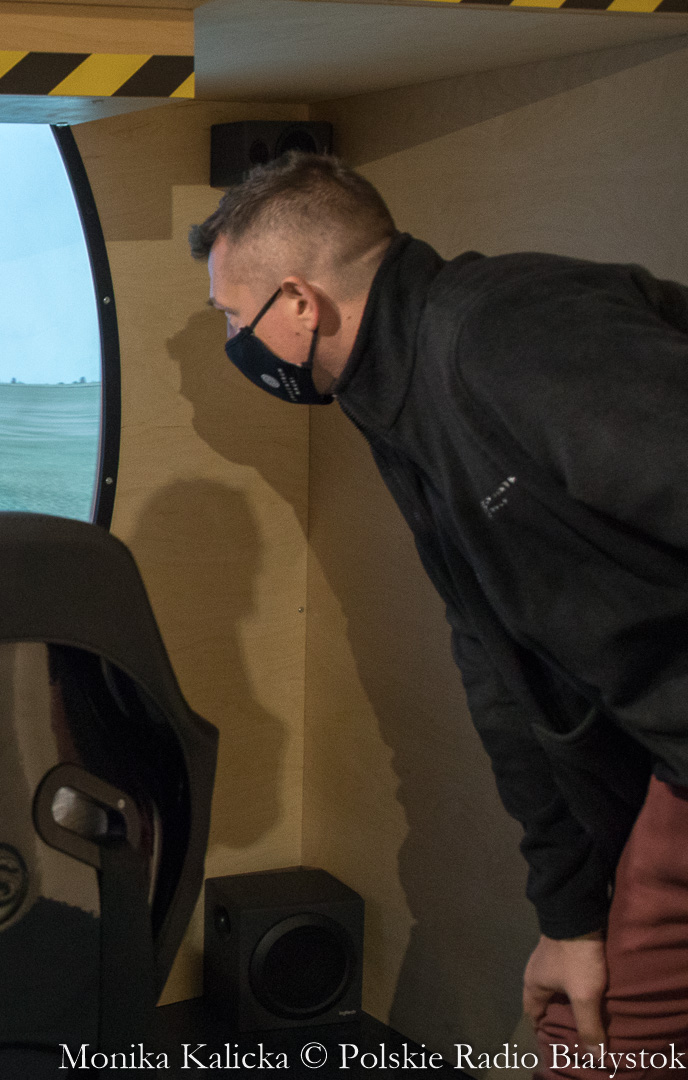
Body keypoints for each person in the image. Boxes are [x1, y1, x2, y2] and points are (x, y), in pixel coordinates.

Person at [191, 152, 688, 1076]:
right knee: (578, 1027)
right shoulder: (398, 405)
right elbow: (499, 668)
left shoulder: (503, 332)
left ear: (299, 303)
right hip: (647, 760)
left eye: (233, 316)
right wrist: (569, 915)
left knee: (608, 1043)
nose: (234, 343)